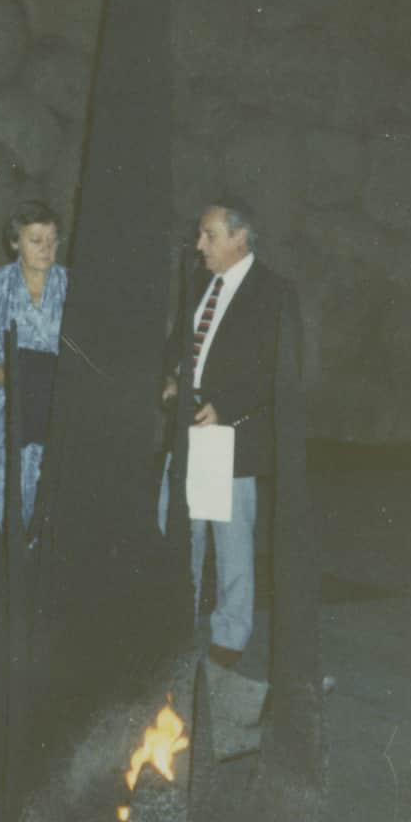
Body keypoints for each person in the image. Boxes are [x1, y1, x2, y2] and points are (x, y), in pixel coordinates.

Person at [161, 198, 301, 666]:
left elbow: (277, 370)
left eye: (209, 235)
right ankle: (175, 621)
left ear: (240, 238)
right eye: (201, 235)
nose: (199, 244)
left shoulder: (274, 292)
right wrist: (169, 377)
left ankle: (230, 636)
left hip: (231, 433)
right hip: (189, 426)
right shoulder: (201, 281)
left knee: (231, 539)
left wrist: (227, 406)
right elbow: (181, 341)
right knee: (179, 526)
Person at [0, 200, 67, 527]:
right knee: (4, 507)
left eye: (52, 240)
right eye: (36, 240)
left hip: (58, 410)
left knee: (53, 506)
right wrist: (20, 379)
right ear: (14, 243)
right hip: (7, 412)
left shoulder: (72, 286)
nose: (46, 249)